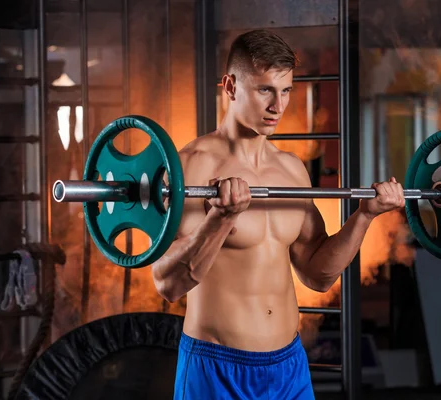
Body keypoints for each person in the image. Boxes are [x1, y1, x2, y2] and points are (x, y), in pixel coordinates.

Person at [152, 29, 405, 400]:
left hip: (288, 367)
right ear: (231, 86)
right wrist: (219, 220)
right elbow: (168, 285)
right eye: (265, 90)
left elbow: (317, 274)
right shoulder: (188, 169)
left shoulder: (291, 171)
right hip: (216, 367)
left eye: (286, 90)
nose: (278, 105)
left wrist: (365, 216)